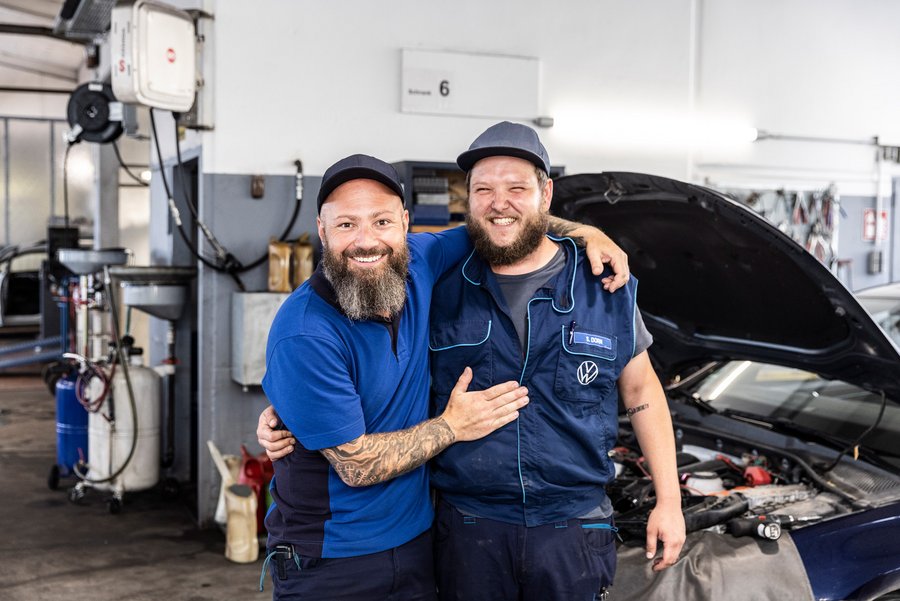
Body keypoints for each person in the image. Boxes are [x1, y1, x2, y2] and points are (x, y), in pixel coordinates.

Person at [257, 152, 629, 600]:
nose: (365, 241)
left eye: (381, 222)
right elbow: (354, 465)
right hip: (332, 560)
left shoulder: (422, 261)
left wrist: (589, 232)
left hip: (418, 544)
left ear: (405, 225)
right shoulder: (304, 332)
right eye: (346, 225)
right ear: (322, 230)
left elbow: (502, 221)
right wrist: (452, 426)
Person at [426, 121, 686, 600]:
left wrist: (669, 501)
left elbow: (642, 390)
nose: (498, 202)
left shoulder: (603, 283)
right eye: (483, 189)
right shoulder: (440, 286)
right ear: (469, 198)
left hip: (572, 531)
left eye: (516, 188)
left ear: (546, 194)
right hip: (467, 532)